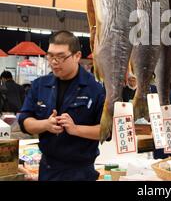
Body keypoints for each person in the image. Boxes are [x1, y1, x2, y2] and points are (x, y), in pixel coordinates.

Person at [18, 30, 106, 181]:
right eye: (50, 56)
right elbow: (25, 122)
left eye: (61, 57)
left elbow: (106, 131)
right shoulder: (40, 85)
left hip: (80, 172)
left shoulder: (95, 89)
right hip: (47, 169)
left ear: (77, 56)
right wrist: (45, 124)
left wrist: (76, 129)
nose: (54, 62)